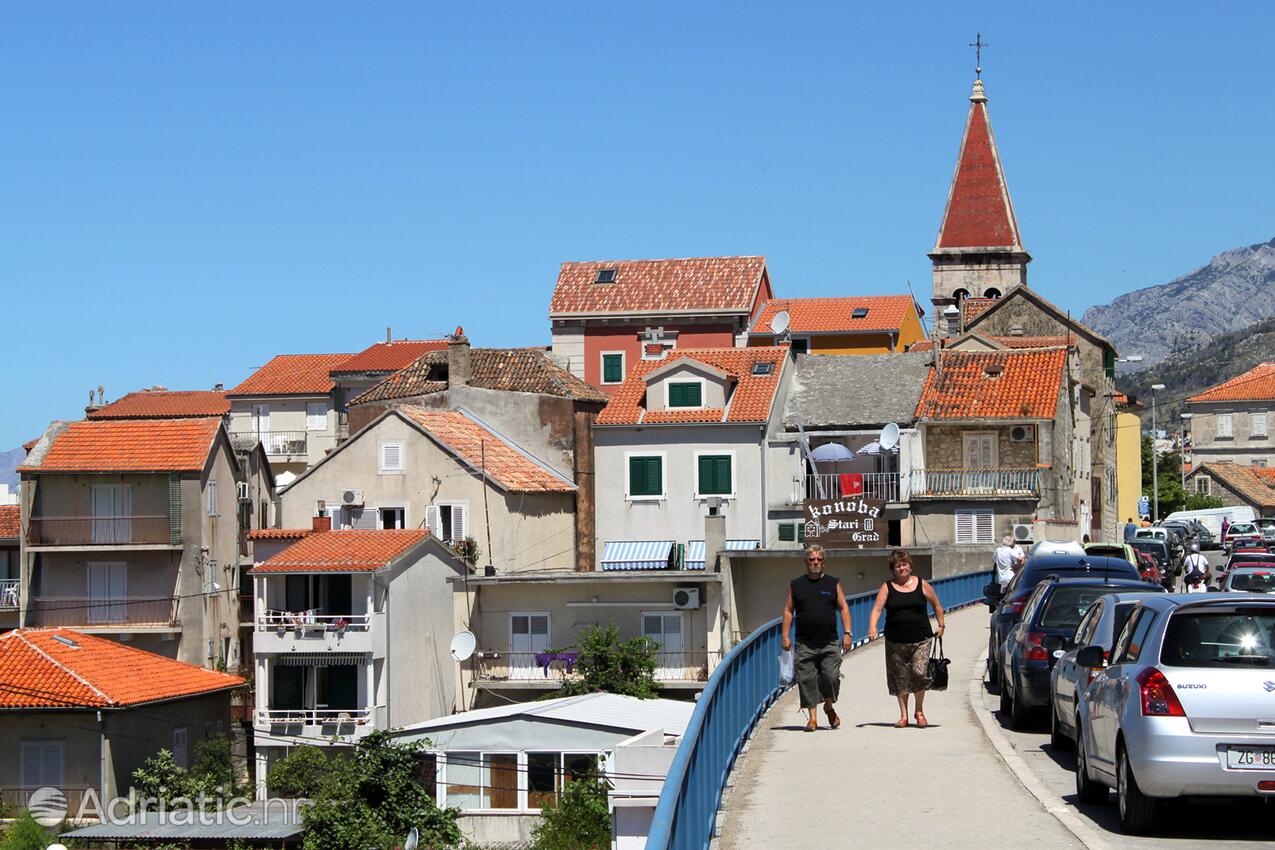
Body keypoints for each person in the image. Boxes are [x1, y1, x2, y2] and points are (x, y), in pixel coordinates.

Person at [867, 549, 946, 729]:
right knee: (900, 678)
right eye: (897, 566)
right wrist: (872, 627)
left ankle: (919, 711)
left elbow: (936, 604)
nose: (901, 568)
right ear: (893, 569)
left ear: (910, 567)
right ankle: (903, 715)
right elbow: (877, 609)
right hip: (895, 639)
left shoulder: (922, 584)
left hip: (922, 638)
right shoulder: (887, 587)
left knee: (919, 673)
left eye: (904, 565)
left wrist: (941, 625)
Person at [781, 545, 852, 732]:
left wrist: (848, 633)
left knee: (831, 676)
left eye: (819, 559)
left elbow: (844, 607)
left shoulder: (833, 583)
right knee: (807, 680)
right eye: (812, 559)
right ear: (806, 562)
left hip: (829, 642)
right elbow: (788, 610)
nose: (815, 562)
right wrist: (785, 636)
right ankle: (812, 719)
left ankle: (828, 706)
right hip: (805, 643)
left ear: (824, 562)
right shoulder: (796, 585)